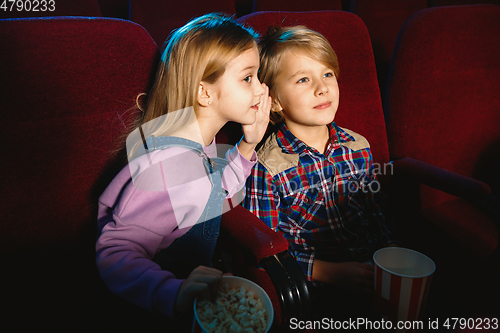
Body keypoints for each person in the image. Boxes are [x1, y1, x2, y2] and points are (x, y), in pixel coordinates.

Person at [95, 13, 271, 328]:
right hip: (154, 311)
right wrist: (174, 292)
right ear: (205, 93)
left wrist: (248, 146)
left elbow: (211, 192)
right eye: (248, 78)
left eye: (258, 76)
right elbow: (115, 252)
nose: (261, 89)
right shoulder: (168, 167)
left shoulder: (201, 142)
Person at [243, 26, 399, 320]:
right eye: (303, 79)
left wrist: (391, 248)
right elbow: (266, 253)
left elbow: (377, 212)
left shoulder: (358, 147)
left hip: (373, 270)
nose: (322, 87)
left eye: (327, 74)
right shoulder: (266, 166)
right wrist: (329, 272)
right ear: (274, 100)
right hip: (314, 287)